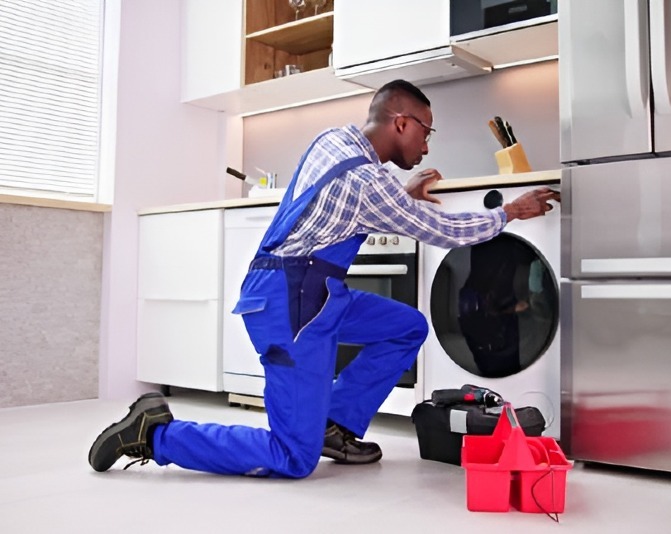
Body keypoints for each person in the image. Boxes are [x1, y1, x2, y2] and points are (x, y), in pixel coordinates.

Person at [88, 79, 560, 479]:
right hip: (291, 304)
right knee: (293, 457)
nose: (427, 144)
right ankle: (155, 434)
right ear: (400, 122)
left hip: (317, 294)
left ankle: (333, 424)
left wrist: (400, 195)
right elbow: (442, 230)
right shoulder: (368, 184)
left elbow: (348, 209)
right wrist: (510, 212)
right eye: (426, 131)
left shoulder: (334, 140)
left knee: (407, 327)